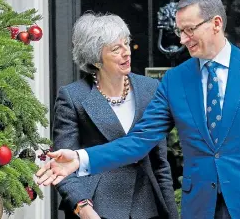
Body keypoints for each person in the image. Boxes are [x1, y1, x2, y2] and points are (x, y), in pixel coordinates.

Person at [37, 0, 240, 219]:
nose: (182, 39)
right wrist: (80, 159)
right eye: (180, 31)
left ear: (216, 23)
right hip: (199, 208)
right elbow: (139, 141)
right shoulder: (174, 80)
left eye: (189, 30)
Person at [45, 13, 178, 219]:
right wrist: (85, 210)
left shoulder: (150, 88)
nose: (127, 53)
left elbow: (160, 163)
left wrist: (171, 214)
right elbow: (64, 165)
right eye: (116, 49)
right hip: (98, 208)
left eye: (126, 44)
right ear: (96, 60)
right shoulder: (72, 96)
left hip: (146, 207)